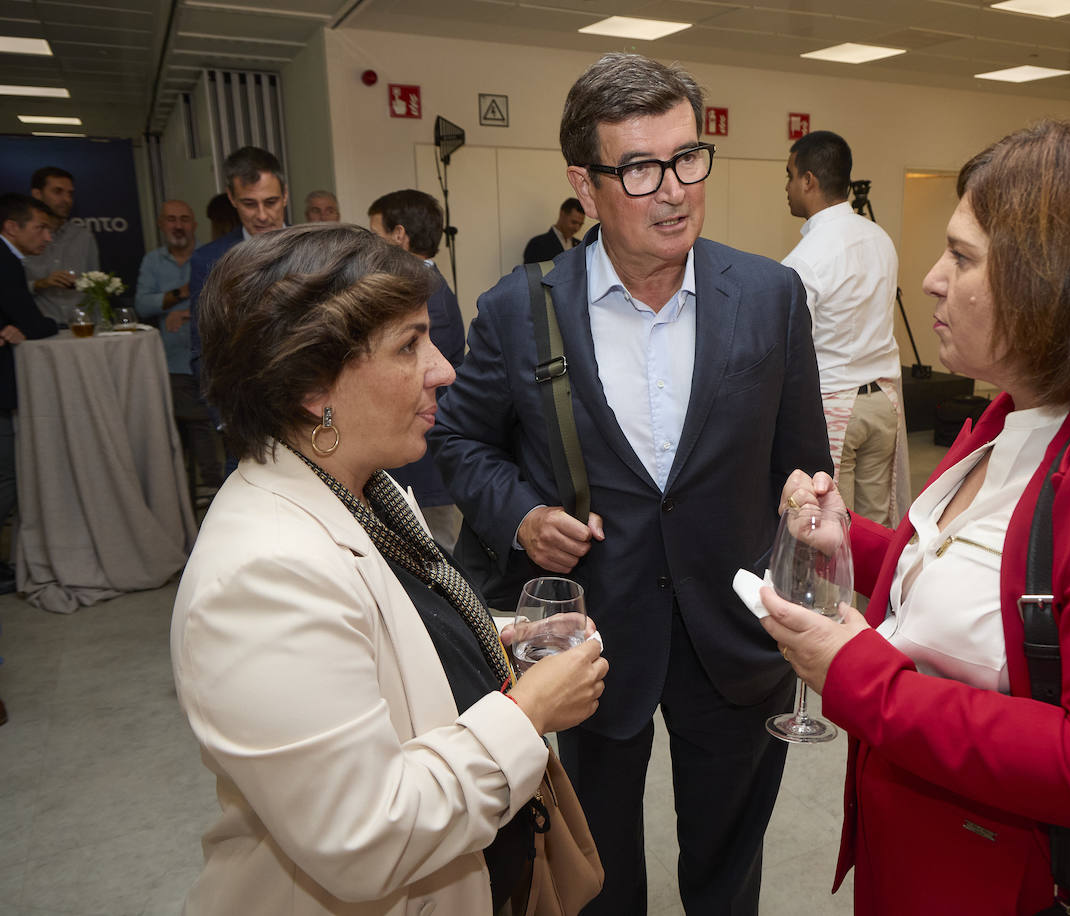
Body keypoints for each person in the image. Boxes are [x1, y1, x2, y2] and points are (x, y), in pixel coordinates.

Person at [760, 120, 1070, 915]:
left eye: (962, 257)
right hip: (928, 851)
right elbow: (998, 587)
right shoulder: (1013, 414)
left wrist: (860, 678)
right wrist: (848, 545)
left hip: (1021, 883)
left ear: (1060, 283)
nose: (931, 279)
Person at [432, 52, 831, 916]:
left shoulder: (770, 296)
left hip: (732, 633)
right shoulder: (520, 307)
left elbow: (803, 460)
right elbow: (460, 441)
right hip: (588, 640)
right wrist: (525, 513)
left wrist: (812, 508)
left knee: (728, 867)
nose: (675, 189)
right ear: (585, 179)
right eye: (641, 168)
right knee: (596, 868)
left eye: (689, 158)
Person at [172, 223, 609, 916]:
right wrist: (528, 714)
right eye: (410, 345)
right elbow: (364, 837)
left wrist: (492, 639)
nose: (443, 369)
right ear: (315, 385)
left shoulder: (359, 488)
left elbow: (381, 630)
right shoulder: (263, 578)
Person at [782, 129, 908, 526]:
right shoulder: (880, 238)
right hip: (884, 403)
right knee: (876, 526)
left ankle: (838, 592)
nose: (785, 188)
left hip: (836, 405)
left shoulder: (804, 260)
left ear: (808, 181)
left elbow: (795, 351)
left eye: (789, 176)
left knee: (834, 525)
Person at [367, 188, 466, 551]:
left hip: (426, 450)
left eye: (376, 234)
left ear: (399, 235)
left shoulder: (425, 294)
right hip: (420, 449)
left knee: (436, 550)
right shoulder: (422, 287)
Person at [135, 199, 221, 499]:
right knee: (183, 427)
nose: (178, 225)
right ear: (161, 224)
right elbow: (142, 305)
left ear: (194, 224)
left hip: (209, 361)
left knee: (202, 422)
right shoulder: (152, 261)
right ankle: (192, 491)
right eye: (171, 219)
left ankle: (211, 488)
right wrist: (181, 294)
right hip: (170, 365)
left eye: (184, 219)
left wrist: (186, 312)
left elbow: (223, 302)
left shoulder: (209, 256)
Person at [0, 194, 62, 594]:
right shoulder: (5, 261)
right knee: (4, 475)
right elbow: (33, 324)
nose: (47, 236)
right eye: (39, 228)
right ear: (12, 227)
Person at [188, 146, 289, 386]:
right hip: (245, 407)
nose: (263, 216)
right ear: (232, 199)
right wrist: (223, 421)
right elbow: (202, 350)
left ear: (285, 194)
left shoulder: (319, 249)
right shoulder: (209, 261)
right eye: (249, 204)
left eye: (271, 202)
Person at [23, 166, 100, 324]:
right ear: (37, 195)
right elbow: (7, 291)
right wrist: (40, 284)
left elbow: (95, 289)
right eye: (57, 192)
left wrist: (101, 326)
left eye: (70, 194)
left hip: (81, 329)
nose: (66, 200)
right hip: (37, 331)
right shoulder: (21, 237)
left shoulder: (83, 237)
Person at [522, 197, 584, 263]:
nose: (577, 228)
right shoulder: (537, 244)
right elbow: (531, 272)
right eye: (574, 222)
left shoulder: (580, 246)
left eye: (580, 224)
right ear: (562, 214)